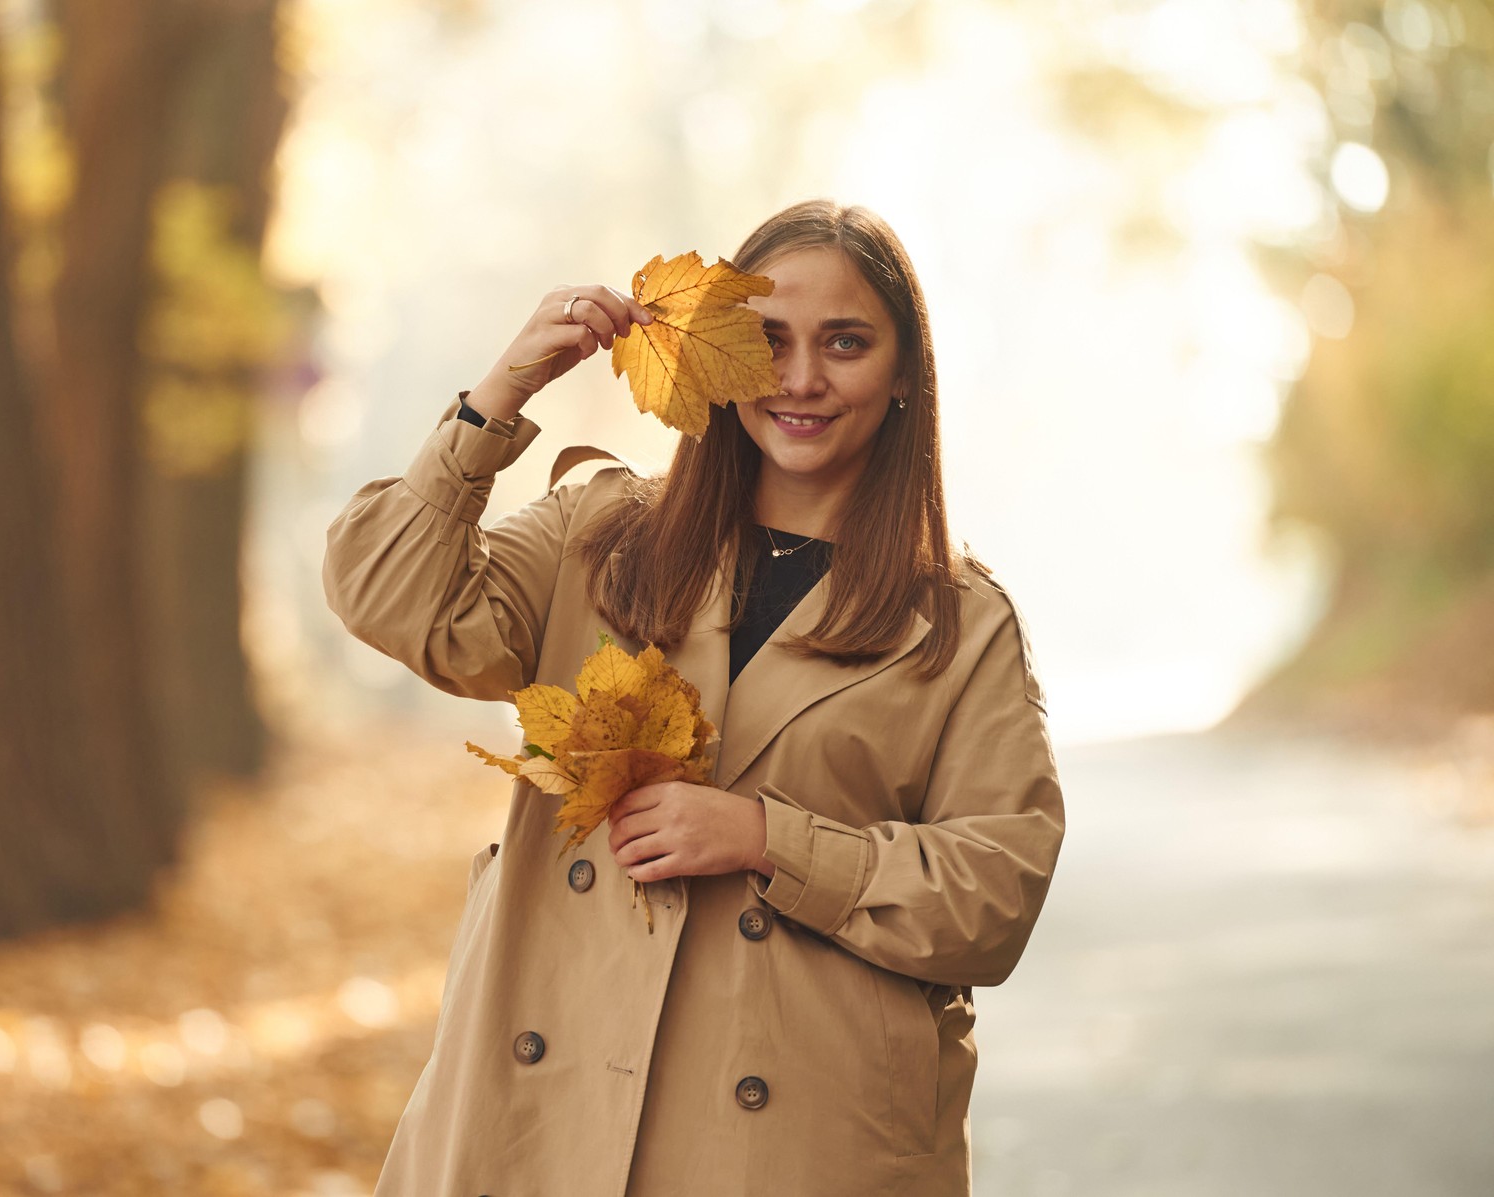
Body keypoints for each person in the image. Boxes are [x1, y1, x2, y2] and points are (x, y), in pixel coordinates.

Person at [321, 198, 1066, 1197]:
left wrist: (767, 839)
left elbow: (993, 894)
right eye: (767, 341)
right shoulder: (605, 534)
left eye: (845, 343)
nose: (801, 378)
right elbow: (387, 591)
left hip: (798, 1149)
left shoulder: (958, 622)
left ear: (901, 377)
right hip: (540, 1125)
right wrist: (498, 399)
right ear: (717, 355)